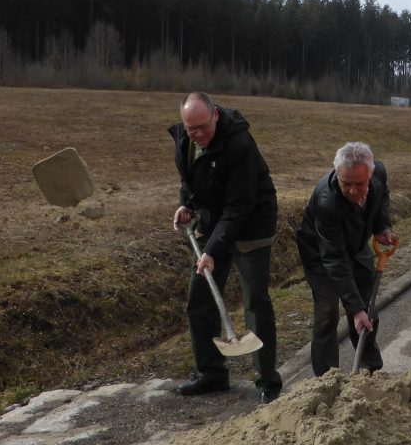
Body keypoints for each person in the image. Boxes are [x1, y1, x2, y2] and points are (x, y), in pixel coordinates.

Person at [169, 90, 283, 403]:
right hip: (213, 220)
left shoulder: (240, 144)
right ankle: (212, 373)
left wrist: (212, 250)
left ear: (216, 114)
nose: (197, 134)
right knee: (200, 298)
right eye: (191, 128)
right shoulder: (186, 138)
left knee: (255, 302)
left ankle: (267, 383)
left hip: (251, 222)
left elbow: (239, 207)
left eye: (202, 127)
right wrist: (187, 206)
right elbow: (189, 182)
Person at [295, 142, 396, 378]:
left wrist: (382, 225)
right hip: (321, 255)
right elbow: (334, 259)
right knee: (328, 312)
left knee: (368, 311)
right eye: (346, 184)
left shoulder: (378, 173)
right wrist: (354, 308)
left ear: (370, 175)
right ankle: (327, 378)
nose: (352, 190)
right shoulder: (326, 200)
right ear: (337, 175)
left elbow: (382, 197)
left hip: (356, 245)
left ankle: (369, 370)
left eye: (359, 184)